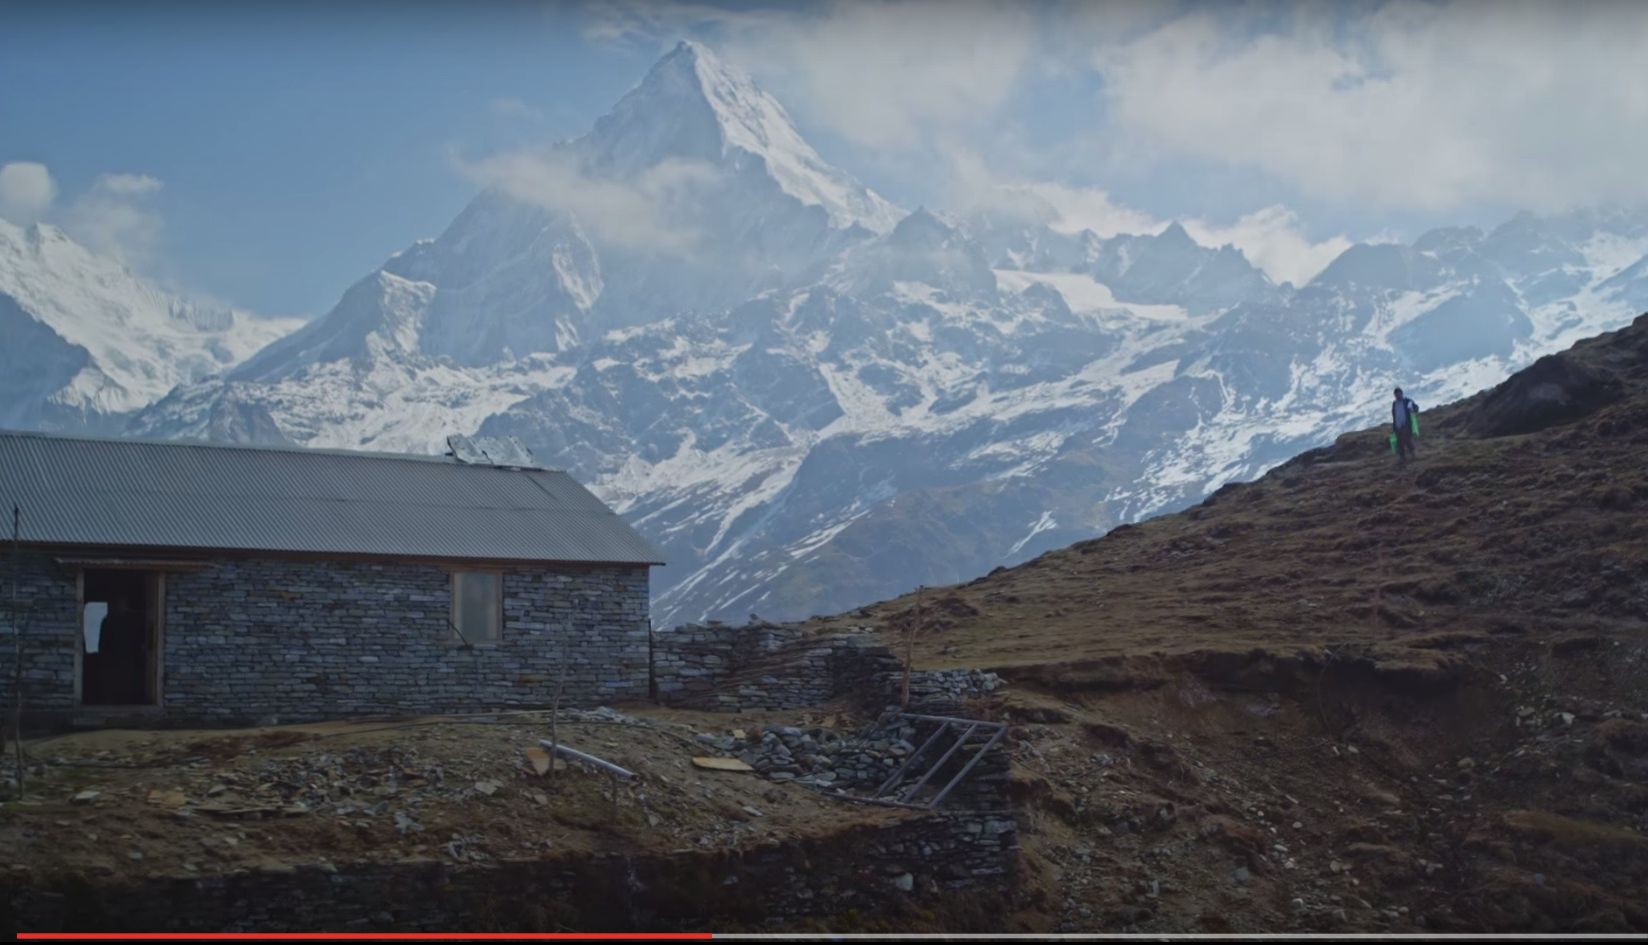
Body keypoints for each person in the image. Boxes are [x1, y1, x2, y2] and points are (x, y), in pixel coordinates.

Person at [1392, 387, 1419, 465]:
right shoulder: (1394, 404)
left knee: (1408, 440)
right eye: (1396, 395)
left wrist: (1413, 409)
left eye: (1399, 394)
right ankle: (1402, 458)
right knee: (1399, 443)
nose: (1397, 396)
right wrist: (1394, 427)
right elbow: (1394, 415)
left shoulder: (1407, 401)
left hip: (1406, 425)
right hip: (1398, 426)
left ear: (1402, 393)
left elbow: (1416, 408)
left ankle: (1413, 455)